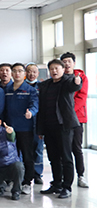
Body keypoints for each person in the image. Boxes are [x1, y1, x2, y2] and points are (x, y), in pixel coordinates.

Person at [38, 59, 82, 199]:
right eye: (52, 69)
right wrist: (40, 130)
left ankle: (67, 187)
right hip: (49, 126)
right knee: (53, 157)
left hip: (64, 126)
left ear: (63, 70)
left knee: (66, 157)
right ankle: (56, 184)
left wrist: (77, 81)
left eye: (57, 68)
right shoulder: (46, 85)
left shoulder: (67, 82)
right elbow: (41, 109)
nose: (54, 71)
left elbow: (75, 86)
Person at [4, 63, 38, 195]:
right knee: (11, 155)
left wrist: (31, 113)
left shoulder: (30, 89)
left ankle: (27, 182)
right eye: (15, 71)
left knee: (27, 156)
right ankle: (12, 180)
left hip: (25, 128)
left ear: (24, 74)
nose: (17, 73)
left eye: (20, 71)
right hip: (10, 128)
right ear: (12, 74)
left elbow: (35, 105)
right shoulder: (7, 89)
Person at [61, 52, 89, 188]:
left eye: (69, 61)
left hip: (77, 117)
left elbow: (81, 97)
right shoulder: (59, 78)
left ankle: (81, 175)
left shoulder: (81, 77)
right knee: (63, 149)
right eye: (64, 62)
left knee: (76, 148)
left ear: (74, 63)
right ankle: (64, 177)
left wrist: (68, 111)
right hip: (61, 119)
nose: (67, 64)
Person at [26, 62, 44, 184]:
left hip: (38, 122)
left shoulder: (42, 87)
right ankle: (26, 173)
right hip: (24, 123)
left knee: (38, 149)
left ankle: (37, 174)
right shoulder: (21, 86)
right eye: (29, 71)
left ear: (38, 73)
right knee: (25, 150)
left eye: (34, 72)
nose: (31, 74)